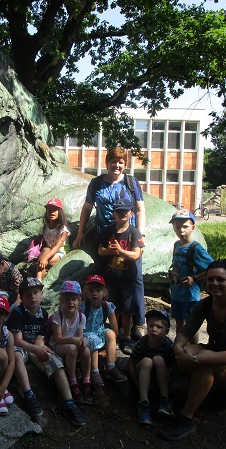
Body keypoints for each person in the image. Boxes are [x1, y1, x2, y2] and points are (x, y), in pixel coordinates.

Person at [159, 259, 226, 440]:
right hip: (214, 354)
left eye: (220, 280)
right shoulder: (206, 304)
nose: (214, 284)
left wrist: (196, 360)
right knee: (188, 350)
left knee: (204, 361)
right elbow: (186, 332)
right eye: (210, 279)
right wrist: (179, 347)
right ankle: (163, 396)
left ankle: (186, 418)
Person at [73, 146, 147, 340]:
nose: (117, 165)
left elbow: (139, 209)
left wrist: (141, 235)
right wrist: (80, 232)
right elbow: (87, 207)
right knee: (109, 277)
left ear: (125, 164)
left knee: (134, 278)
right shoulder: (97, 183)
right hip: (105, 235)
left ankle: (138, 322)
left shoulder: (131, 182)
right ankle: (111, 321)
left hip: (127, 236)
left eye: (121, 162)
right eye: (113, 161)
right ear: (107, 163)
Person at [6, 277, 86, 426]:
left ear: (41, 294)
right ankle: (29, 395)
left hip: (33, 346)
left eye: (36, 293)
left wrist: (41, 350)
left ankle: (69, 403)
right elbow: (17, 340)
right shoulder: (18, 312)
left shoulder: (43, 314)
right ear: (21, 297)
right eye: (28, 295)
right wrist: (36, 348)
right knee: (16, 356)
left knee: (55, 361)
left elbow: (39, 337)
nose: (33, 297)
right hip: (19, 346)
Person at [98, 198, 145, 355]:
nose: (122, 213)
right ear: (114, 213)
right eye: (119, 211)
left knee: (127, 308)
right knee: (113, 307)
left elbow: (136, 254)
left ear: (131, 213)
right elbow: (100, 251)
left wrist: (120, 250)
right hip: (112, 277)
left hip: (128, 278)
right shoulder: (109, 231)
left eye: (125, 211)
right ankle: (115, 335)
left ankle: (126, 337)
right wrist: (111, 251)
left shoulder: (133, 232)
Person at [168, 209, 214, 336]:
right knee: (178, 322)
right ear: (173, 228)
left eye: (185, 226)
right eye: (177, 227)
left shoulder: (196, 248)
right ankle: (178, 346)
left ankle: (192, 349)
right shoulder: (177, 245)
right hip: (176, 293)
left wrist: (195, 278)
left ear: (193, 227)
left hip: (190, 296)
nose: (181, 230)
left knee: (191, 325)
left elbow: (212, 268)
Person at [128, 309, 175, 426]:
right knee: (147, 361)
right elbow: (131, 362)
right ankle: (143, 402)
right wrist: (136, 382)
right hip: (144, 372)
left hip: (161, 374)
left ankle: (165, 400)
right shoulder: (141, 343)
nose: (154, 329)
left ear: (166, 331)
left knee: (158, 359)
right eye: (151, 325)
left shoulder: (168, 346)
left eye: (159, 327)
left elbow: (174, 365)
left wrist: (171, 381)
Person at [79, 274, 127, 388]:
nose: (94, 293)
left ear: (104, 292)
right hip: (86, 334)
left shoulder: (107, 306)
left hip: (99, 333)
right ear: (86, 293)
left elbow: (114, 328)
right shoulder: (83, 307)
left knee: (110, 333)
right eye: (91, 290)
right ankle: (94, 371)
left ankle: (111, 367)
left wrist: (109, 347)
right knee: (92, 338)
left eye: (98, 290)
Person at [48, 280, 92, 401]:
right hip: (58, 345)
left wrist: (83, 341)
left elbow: (80, 336)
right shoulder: (58, 316)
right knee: (73, 349)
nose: (70, 302)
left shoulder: (81, 316)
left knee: (86, 351)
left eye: (73, 299)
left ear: (79, 300)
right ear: (61, 300)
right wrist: (74, 340)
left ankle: (86, 379)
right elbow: (58, 338)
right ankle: (72, 380)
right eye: (67, 299)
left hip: (72, 344)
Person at [34, 198, 70, 280]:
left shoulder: (62, 229)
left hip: (60, 254)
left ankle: (37, 280)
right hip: (48, 252)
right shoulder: (44, 228)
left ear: (59, 212)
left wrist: (45, 258)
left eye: (55, 210)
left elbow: (57, 246)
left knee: (42, 261)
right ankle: (40, 280)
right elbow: (37, 242)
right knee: (45, 250)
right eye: (49, 210)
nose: (52, 212)